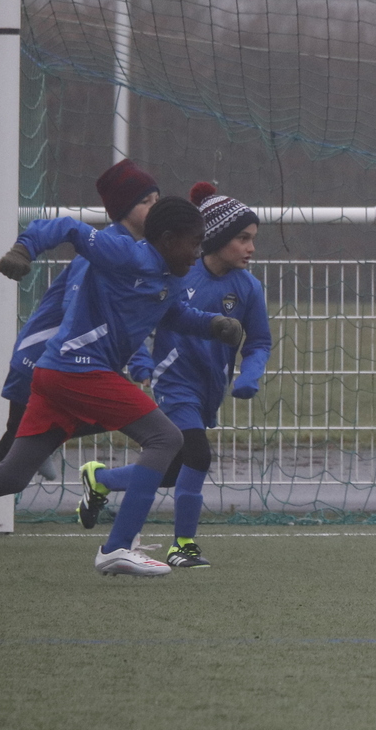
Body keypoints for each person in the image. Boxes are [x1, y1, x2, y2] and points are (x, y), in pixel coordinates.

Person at [0, 198, 246, 577]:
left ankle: (116, 536)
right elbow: (67, 226)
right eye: (194, 242)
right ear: (168, 239)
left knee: (12, 474)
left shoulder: (171, 277)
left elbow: (173, 313)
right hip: (77, 368)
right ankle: (117, 548)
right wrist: (25, 249)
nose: (198, 252)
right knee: (166, 438)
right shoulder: (125, 253)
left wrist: (213, 324)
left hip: (58, 374)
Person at [83, 183, 272, 569]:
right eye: (243, 238)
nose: (251, 247)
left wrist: (249, 376)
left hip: (210, 389)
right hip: (173, 382)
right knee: (198, 455)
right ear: (216, 238)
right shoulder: (179, 274)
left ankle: (102, 479)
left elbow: (259, 342)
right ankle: (183, 545)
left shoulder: (249, 288)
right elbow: (137, 320)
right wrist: (142, 364)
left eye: (253, 238)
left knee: (170, 469)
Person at [0, 159, 159, 472]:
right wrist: (25, 248)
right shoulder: (103, 251)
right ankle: (43, 445)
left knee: (17, 451)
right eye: (146, 202)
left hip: (69, 363)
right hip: (42, 359)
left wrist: (139, 360)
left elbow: (123, 320)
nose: (155, 208)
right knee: (11, 450)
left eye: (158, 199)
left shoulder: (132, 251)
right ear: (123, 209)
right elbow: (78, 307)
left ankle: (44, 444)